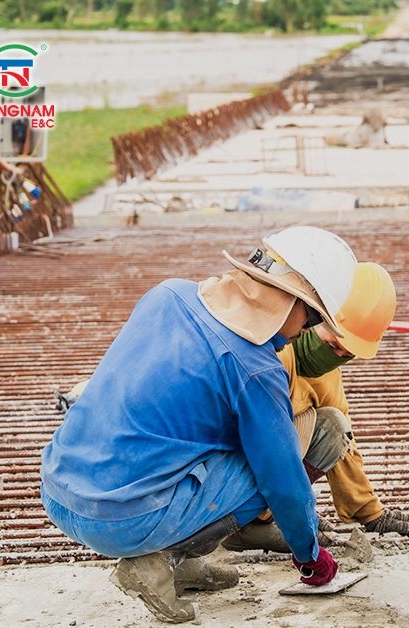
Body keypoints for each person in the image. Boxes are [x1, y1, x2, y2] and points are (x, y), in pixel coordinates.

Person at [40, 226, 363, 623]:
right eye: (311, 320)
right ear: (293, 302)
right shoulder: (254, 368)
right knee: (313, 440)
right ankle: (163, 559)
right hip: (118, 518)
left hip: (59, 489)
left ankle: (184, 562)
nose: (302, 333)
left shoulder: (168, 293)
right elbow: (284, 483)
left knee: (227, 437)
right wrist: (311, 557)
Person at [221, 262, 409, 556]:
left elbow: (344, 442)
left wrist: (369, 511)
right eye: (333, 344)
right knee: (277, 437)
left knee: (333, 426)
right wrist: (298, 518)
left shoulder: (326, 372)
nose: (336, 356)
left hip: (257, 461)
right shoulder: (273, 352)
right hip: (224, 461)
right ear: (315, 316)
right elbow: (270, 444)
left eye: (347, 354)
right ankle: (244, 524)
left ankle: (259, 517)